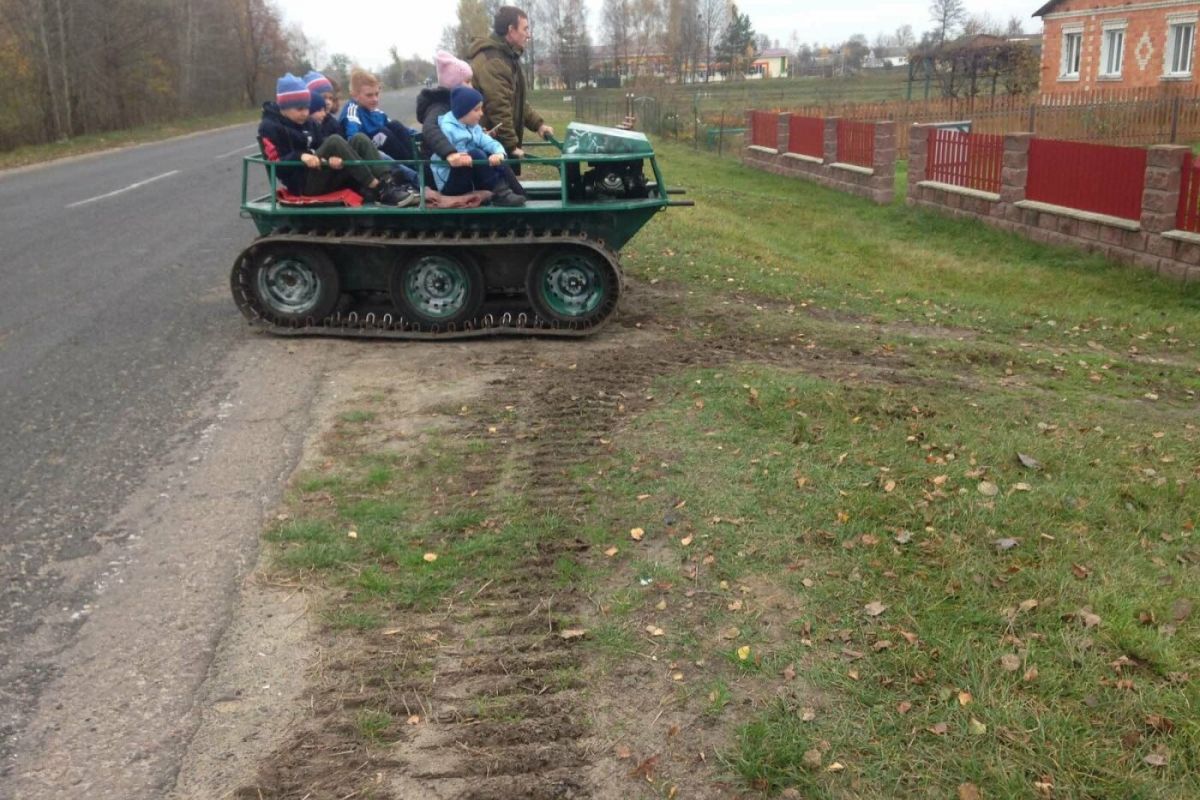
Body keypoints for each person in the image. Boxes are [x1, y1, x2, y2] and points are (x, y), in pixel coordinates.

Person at [258, 73, 415, 206]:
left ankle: (387, 182)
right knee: (335, 141)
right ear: (283, 107)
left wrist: (330, 158)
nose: (305, 113)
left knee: (359, 139)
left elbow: (321, 144)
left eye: (307, 107)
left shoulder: (308, 121)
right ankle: (378, 188)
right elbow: (276, 164)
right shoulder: (270, 127)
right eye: (299, 109)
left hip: (319, 170)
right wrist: (301, 156)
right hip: (302, 182)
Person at [467, 5, 554, 175]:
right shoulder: (494, 61)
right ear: (511, 30)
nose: (528, 34)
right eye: (525, 29)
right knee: (506, 197)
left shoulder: (506, 58)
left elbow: (516, 100)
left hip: (495, 147)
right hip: (490, 149)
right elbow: (498, 107)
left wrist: (539, 125)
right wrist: (511, 145)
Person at [431, 86, 525, 207]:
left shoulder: (473, 126)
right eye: (477, 109)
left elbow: (488, 142)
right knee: (477, 153)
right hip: (450, 182)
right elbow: (457, 157)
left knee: (495, 158)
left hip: (469, 174)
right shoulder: (447, 130)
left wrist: (498, 153)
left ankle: (520, 193)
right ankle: (500, 194)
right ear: (463, 111)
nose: (481, 113)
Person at [339, 68, 419, 169]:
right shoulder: (352, 111)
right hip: (364, 155)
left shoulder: (375, 112)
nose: (375, 99)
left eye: (377, 94)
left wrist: (421, 135)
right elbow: (353, 140)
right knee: (383, 133)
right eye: (369, 95)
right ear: (355, 96)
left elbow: (399, 129)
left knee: (395, 125)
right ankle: (413, 171)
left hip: (384, 149)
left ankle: (421, 166)